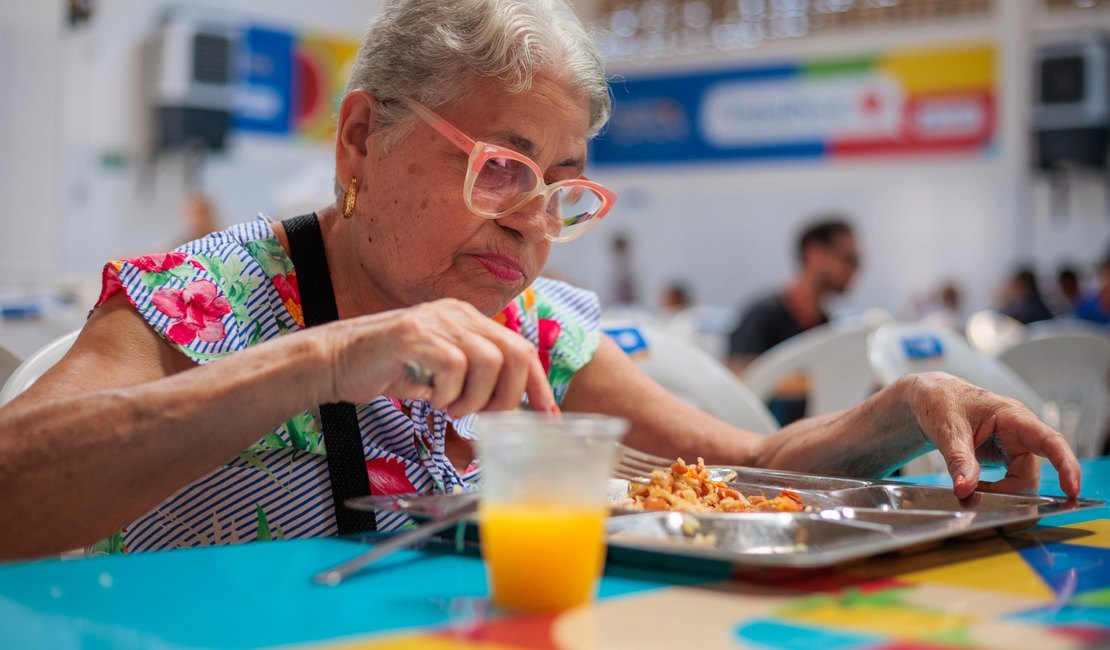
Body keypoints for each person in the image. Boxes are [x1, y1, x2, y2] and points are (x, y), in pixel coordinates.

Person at [0, 0, 1079, 561]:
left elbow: (744, 464)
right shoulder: (198, 299)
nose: (529, 222)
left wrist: (894, 413)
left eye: (560, 189)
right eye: (500, 167)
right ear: (363, 138)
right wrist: (324, 358)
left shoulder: (534, 328)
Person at [727, 218, 859, 375]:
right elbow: (737, 375)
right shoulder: (763, 315)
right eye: (848, 259)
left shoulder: (825, 326)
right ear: (814, 253)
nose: (854, 270)